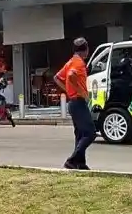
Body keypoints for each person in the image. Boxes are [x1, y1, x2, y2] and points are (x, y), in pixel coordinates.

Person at [54, 37, 94, 170]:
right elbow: (71, 76)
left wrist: (67, 90)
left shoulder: (70, 61)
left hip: (72, 102)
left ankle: (80, 163)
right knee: (90, 133)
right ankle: (72, 160)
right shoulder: (79, 63)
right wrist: (82, 93)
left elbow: (57, 77)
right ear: (85, 50)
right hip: (78, 101)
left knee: (80, 134)